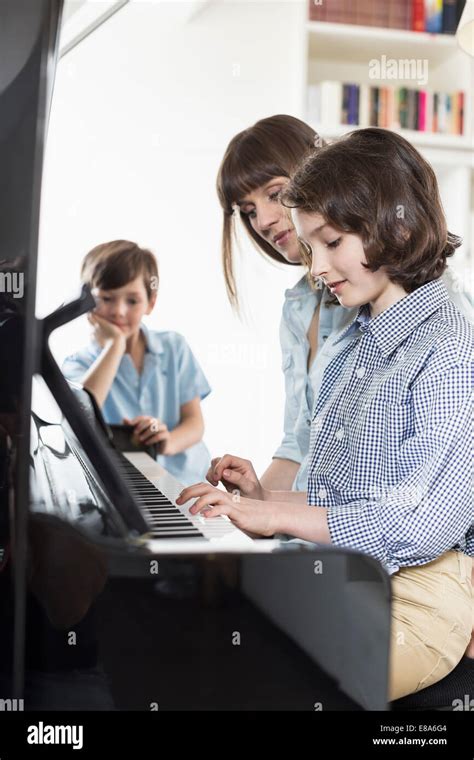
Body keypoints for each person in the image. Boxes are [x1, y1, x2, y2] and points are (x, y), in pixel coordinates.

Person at [177, 128, 473, 700]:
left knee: (247, 681)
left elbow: (418, 522)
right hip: (341, 575)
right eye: (310, 248)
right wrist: (260, 501)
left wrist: (277, 520)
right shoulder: (352, 347)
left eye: (331, 243)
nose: (315, 268)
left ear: (400, 226)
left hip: (416, 599)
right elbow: (344, 497)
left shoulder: (451, 348)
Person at [217, 115, 472, 495]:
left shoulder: (435, 317)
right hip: (316, 528)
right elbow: (301, 444)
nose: (265, 221)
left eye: (274, 194)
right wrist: (258, 505)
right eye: (248, 211)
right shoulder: (299, 307)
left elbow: (418, 496)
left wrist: (275, 516)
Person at [62, 240, 211, 486]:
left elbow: (194, 423)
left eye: (132, 301)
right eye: (106, 299)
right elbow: (79, 420)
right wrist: (115, 346)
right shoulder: (77, 365)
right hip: (127, 488)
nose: (119, 311)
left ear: (150, 303)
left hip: (187, 481)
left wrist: (167, 442)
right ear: (87, 303)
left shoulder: (174, 347)